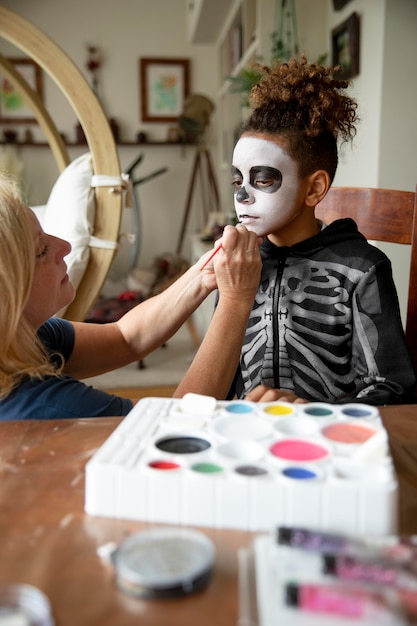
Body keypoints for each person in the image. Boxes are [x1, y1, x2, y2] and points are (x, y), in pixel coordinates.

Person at [228, 56, 416, 405]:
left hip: (333, 441)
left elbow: (393, 388)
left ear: (314, 189)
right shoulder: (239, 265)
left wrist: (318, 413)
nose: (241, 195)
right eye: (237, 179)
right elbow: (222, 377)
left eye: (263, 179)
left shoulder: (362, 269)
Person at [0, 174, 262, 419]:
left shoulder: (23, 336)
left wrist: (202, 275)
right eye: (42, 249)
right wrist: (236, 299)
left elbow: (125, 338)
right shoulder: (43, 406)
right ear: (8, 294)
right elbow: (174, 430)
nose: (65, 247)